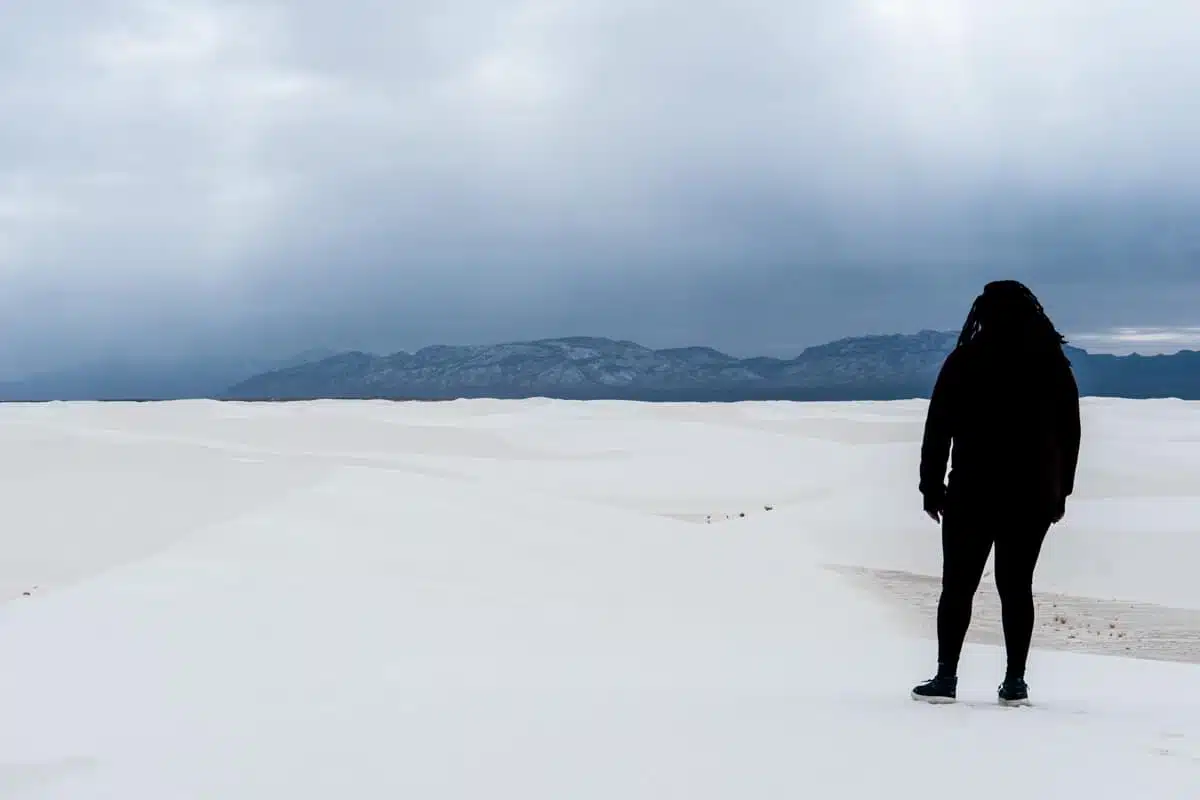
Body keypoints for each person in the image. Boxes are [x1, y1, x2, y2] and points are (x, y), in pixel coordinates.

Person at [911, 280, 1081, 707]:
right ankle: (1015, 682)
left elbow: (938, 429)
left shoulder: (966, 359)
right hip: (1032, 496)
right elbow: (1070, 434)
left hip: (972, 492)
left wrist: (931, 487)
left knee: (958, 586)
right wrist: (1061, 491)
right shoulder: (1051, 363)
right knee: (1016, 586)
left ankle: (946, 677)